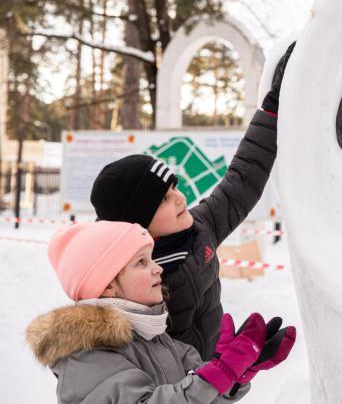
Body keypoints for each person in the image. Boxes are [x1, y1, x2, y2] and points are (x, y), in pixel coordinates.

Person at [89, 43, 295, 359]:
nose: (180, 197)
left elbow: (242, 180)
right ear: (138, 224)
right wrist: (221, 374)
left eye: (175, 187)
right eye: (164, 199)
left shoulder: (200, 228)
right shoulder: (129, 285)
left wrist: (272, 109)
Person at [26, 221, 295, 403]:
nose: (157, 268)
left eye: (152, 258)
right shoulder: (86, 353)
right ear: (107, 285)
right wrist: (219, 373)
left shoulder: (157, 340)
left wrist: (234, 375)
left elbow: (194, 396)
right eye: (141, 262)